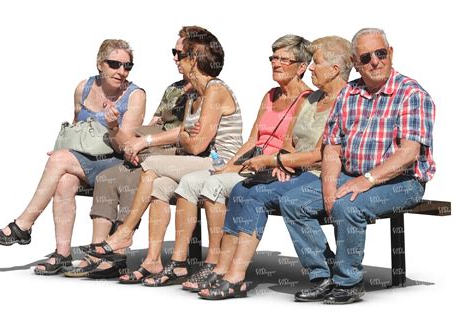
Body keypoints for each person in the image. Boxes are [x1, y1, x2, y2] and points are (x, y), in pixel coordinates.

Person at [279, 28, 436, 304]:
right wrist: (328, 185)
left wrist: (368, 179)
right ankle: (323, 275)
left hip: (403, 181)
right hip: (352, 176)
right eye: (366, 57)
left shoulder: (411, 93)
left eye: (380, 53)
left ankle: (349, 282)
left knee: (347, 205)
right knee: (292, 202)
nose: (375, 61)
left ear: (391, 53)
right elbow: (332, 147)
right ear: (355, 61)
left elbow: (409, 154)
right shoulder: (349, 93)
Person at [197, 36, 353, 299]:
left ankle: (237, 276)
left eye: (315, 63)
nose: (312, 68)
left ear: (335, 70)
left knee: (262, 196)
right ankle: (226, 269)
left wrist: (275, 161)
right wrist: (284, 164)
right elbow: (290, 143)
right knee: (241, 190)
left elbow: (321, 154)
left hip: (323, 173)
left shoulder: (345, 101)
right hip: (298, 171)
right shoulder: (312, 99)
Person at [86, 26, 243, 284]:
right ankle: (162, 261)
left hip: (219, 163)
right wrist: (148, 140)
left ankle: (125, 232)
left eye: (181, 55)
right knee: (158, 185)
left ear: (194, 59)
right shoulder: (194, 92)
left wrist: (175, 139)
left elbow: (194, 144)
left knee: (151, 165)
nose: (176, 59)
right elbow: (184, 132)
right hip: (199, 163)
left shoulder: (215, 89)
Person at [162, 34, 313, 290]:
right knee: (189, 182)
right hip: (252, 164)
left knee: (215, 185)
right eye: (273, 57)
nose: (275, 63)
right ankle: (179, 260)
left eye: (283, 59)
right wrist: (232, 164)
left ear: (301, 67)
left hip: (273, 169)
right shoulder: (270, 96)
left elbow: (293, 144)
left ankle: (215, 261)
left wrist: (265, 163)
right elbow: (253, 139)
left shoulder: (307, 99)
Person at [0, 39, 146, 275]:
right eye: (115, 64)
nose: (121, 71)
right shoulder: (83, 87)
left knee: (59, 161)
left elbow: (127, 147)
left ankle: (23, 225)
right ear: (100, 64)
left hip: (115, 163)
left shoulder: (134, 95)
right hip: (85, 161)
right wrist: (63, 150)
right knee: (63, 180)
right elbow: (75, 127)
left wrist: (113, 127)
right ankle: (62, 254)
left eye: (127, 66)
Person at [64, 78, 193, 278]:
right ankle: (99, 249)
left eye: (181, 54)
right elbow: (155, 122)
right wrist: (138, 144)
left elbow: (187, 133)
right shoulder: (174, 88)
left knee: (137, 177)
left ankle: (120, 248)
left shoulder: (206, 91)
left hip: (179, 154)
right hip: (154, 150)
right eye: (175, 53)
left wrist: (145, 142)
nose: (176, 58)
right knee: (106, 177)